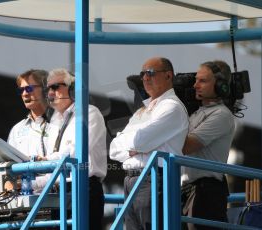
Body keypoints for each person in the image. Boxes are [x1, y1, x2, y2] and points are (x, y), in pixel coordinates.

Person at [109, 57, 189, 230]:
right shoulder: (142, 111)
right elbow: (114, 149)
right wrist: (135, 146)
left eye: (150, 73)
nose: (145, 78)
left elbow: (140, 140)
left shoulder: (172, 106)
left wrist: (132, 143)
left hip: (154, 179)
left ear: (168, 76)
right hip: (133, 180)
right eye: (142, 74)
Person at [35, 68, 107, 229]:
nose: (50, 93)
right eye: (48, 89)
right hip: (57, 193)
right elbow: (52, 167)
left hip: (83, 188)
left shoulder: (89, 113)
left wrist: (47, 160)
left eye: (55, 87)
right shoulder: (52, 123)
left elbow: (75, 152)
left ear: (73, 90)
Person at [181, 60, 235, 230]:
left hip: (206, 193)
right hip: (188, 190)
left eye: (203, 81)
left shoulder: (222, 114)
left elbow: (186, 146)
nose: (195, 85)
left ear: (220, 86)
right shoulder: (196, 113)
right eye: (196, 80)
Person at [6, 69, 52, 193]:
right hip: (26, 199)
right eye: (21, 90)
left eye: (29, 88)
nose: (25, 94)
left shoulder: (61, 123)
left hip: (59, 199)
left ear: (45, 89)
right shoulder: (17, 130)